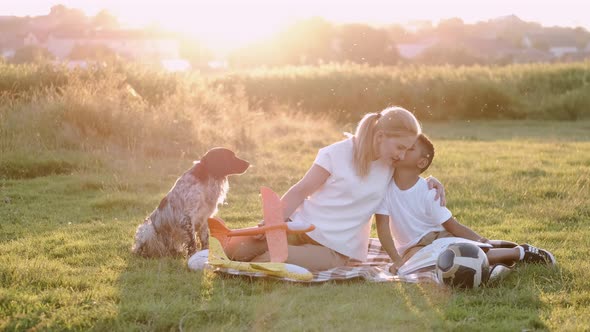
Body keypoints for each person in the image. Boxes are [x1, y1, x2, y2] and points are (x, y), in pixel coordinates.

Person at [224, 106, 446, 272]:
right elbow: (300, 191)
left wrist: (430, 181)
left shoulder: (390, 166)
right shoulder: (336, 154)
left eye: (406, 150)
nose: (401, 155)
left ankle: (249, 261)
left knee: (269, 259)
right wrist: (273, 224)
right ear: (380, 137)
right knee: (234, 250)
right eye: (399, 147)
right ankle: (229, 250)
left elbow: (409, 181)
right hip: (298, 230)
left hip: (334, 249)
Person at [375, 134, 556, 275]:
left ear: (421, 162)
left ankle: (519, 252)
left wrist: (479, 240)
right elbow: (382, 228)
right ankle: (495, 255)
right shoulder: (383, 188)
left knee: (461, 256)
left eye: (410, 148)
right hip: (412, 249)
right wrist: (396, 260)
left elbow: (452, 225)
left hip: (438, 237)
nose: (402, 150)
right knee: (411, 268)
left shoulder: (428, 191)